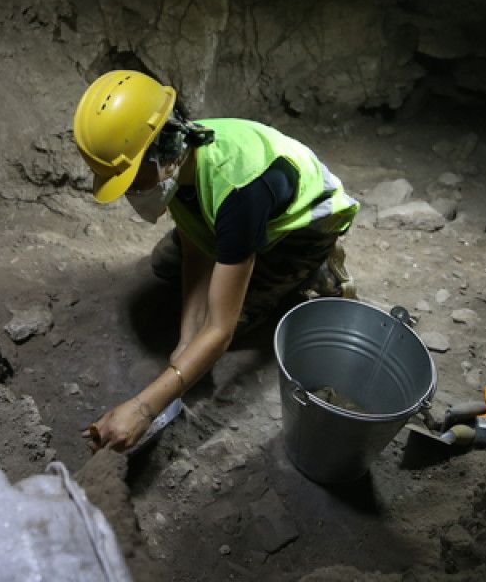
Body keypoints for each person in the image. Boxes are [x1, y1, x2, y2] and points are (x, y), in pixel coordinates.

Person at [73, 70, 360, 452]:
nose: (128, 192)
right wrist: (185, 341)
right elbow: (196, 244)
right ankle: (250, 265)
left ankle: (317, 267)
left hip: (302, 227)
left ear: (159, 156)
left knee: (228, 323)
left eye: (130, 179)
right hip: (237, 214)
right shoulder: (177, 153)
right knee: (166, 265)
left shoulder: (239, 193)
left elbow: (219, 331)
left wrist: (143, 408)